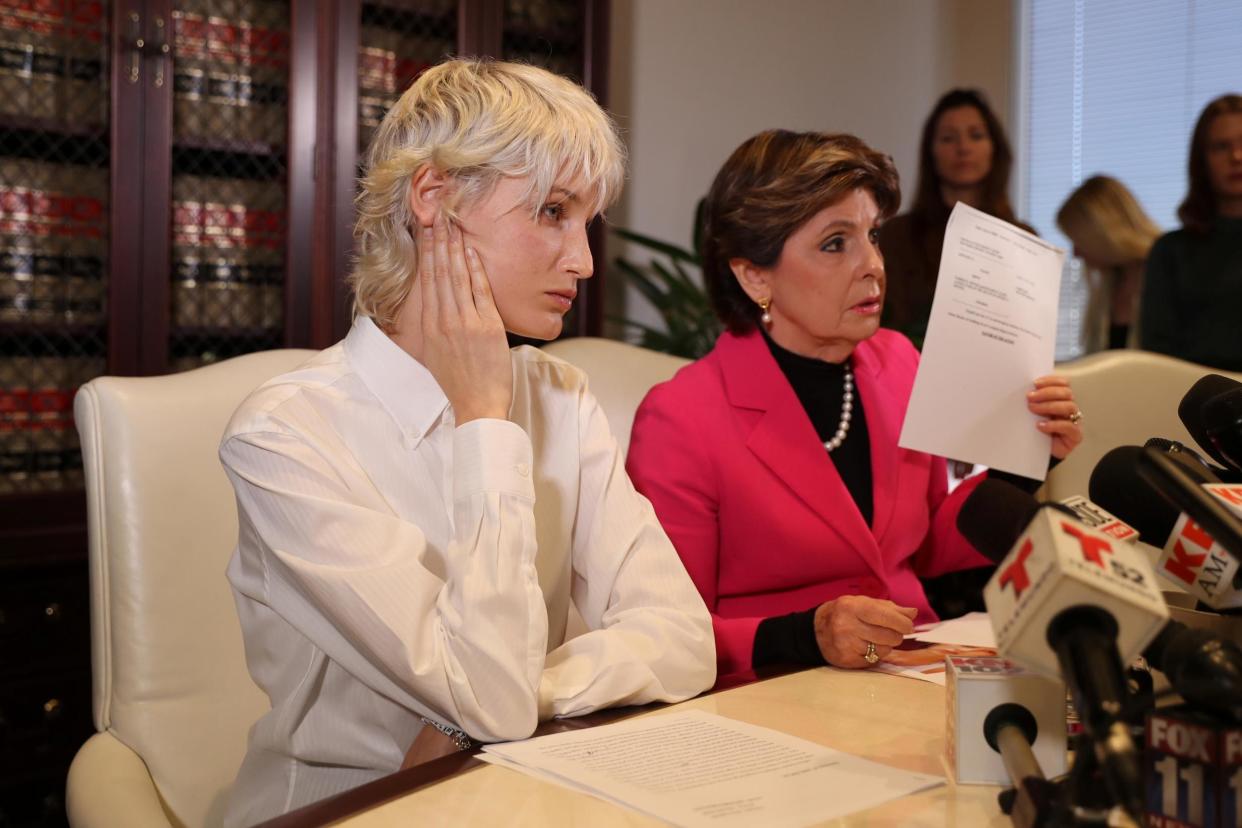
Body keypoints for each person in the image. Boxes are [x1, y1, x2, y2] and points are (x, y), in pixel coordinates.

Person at [219, 59, 715, 826]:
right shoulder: (285, 433)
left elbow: (684, 641)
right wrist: (485, 420)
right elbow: (492, 697)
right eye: (552, 212)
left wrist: (479, 712)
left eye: (587, 222)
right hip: (340, 811)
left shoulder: (559, 395)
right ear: (432, 198)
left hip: (523, 794)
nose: (583, 260)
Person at [626, 130, 1083, 678]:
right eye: (836, 243)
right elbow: (667, 630)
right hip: (767, 696)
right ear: (754, 276)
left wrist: (1028, 454)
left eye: (873, 234)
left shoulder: (896, 364)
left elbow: (933, 544)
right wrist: (806, 635)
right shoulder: (681, 417)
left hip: (911, 672)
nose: (873, 264)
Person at [879, 89, 1033, 347]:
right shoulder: (897, 235)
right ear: (931, 152)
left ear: (995, 149)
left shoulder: (1023, 240)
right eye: (948, 138)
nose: (963, 148)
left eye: (976, 135)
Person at [1140, 93, 1242, 370]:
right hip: (1192, 403)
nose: (1236, 156)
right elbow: (1156, 357)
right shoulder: (1170, 251)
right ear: (1202, 161)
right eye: (1221, 147)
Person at [1056, 175, 1162, 352]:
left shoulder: (1168, 276)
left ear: (1103, 235)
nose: (1076, 253)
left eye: (1080, 241)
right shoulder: (1109, 286)